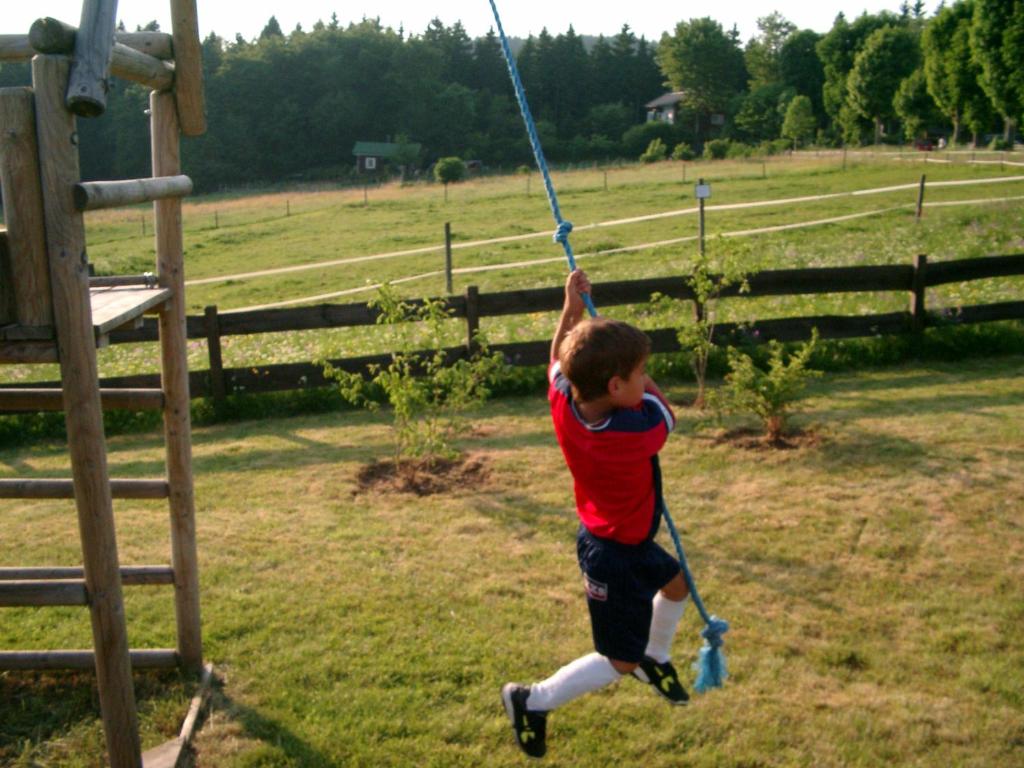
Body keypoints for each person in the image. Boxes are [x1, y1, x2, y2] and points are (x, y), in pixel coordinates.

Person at [501, 268, 690, 759]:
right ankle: (531, 700)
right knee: (617, 660)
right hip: (611, 553)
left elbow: (557, 358)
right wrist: (635, 373)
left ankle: (655, 656)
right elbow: (667, 414)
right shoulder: (630, 432)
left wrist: (571, 310)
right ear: (615, 385)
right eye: (640, 373)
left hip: (626, 538)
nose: (646, 378)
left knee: (676, 585)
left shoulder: (564, 398)